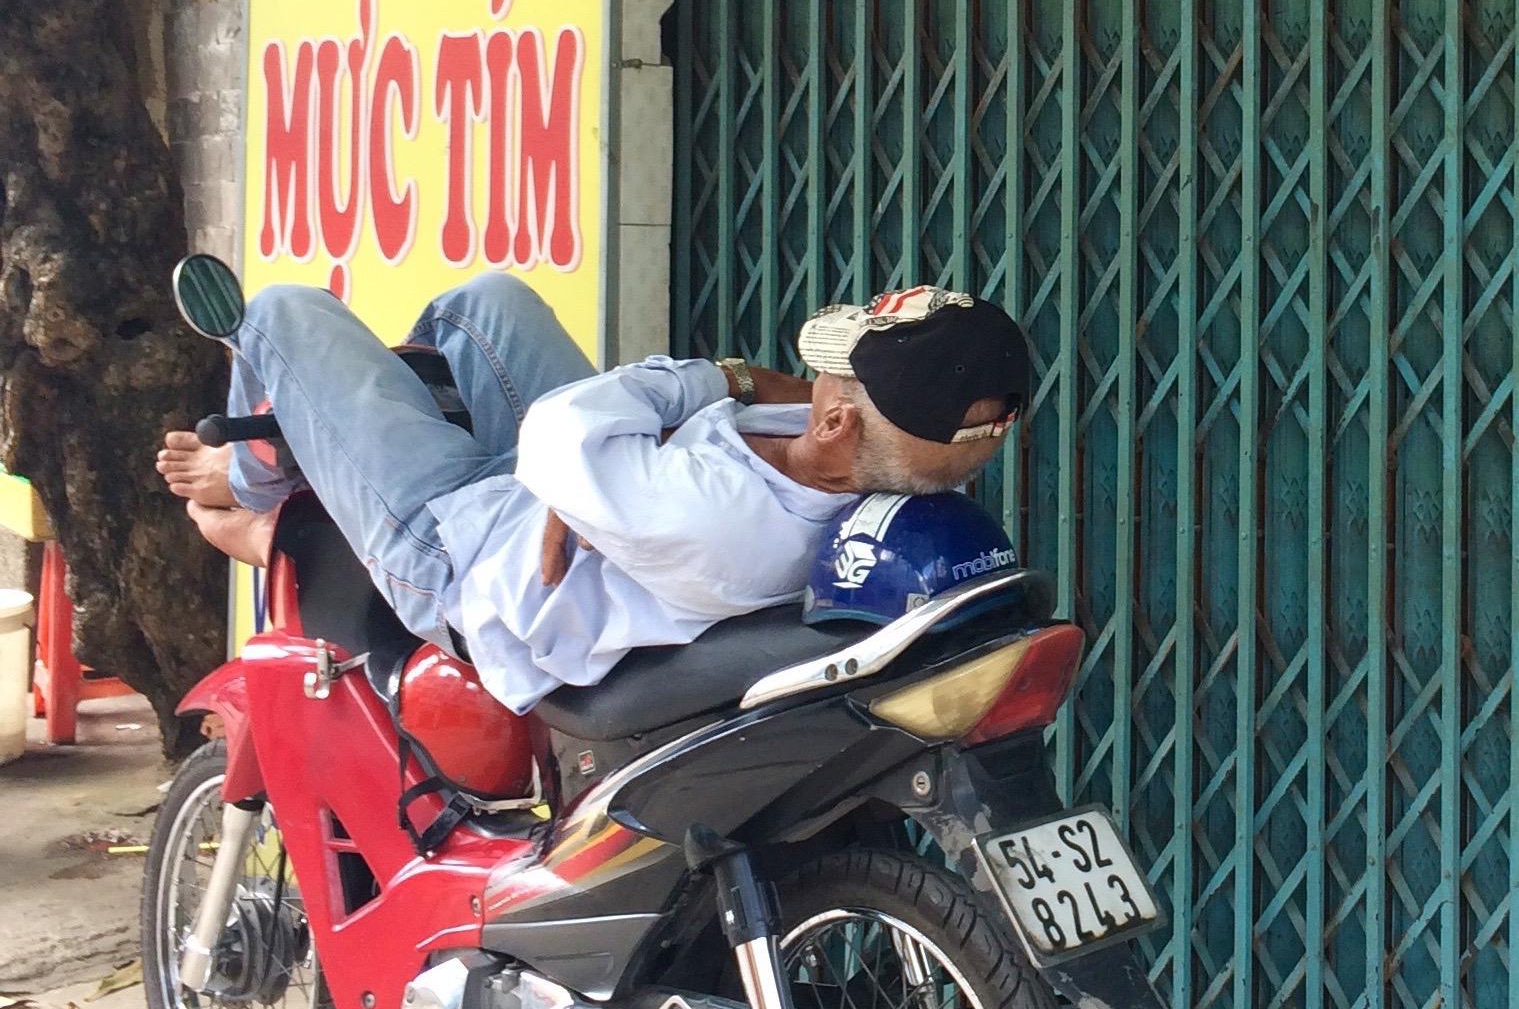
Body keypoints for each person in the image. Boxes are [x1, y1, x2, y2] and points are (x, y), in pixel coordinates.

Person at [155, 275, 1029, 713]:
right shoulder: (862, 463)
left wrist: (722, 379)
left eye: (829, 373)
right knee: (482, 304)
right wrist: (591, 489)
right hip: (561, 503)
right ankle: (312, 461)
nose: (807, 376)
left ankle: (254, 478)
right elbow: (583, 438)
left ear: (838, 422)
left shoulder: (720, 513)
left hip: (460, 551)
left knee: (280, 312)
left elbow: (559, 429)